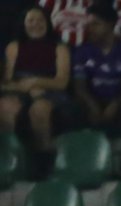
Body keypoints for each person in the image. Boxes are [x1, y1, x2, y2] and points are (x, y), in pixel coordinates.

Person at [73, 3, 121, 174]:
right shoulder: (82, 52)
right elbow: (79, 88)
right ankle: (78, 165)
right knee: (71, 110)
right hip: (92, 100)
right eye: (89, 24)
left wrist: (116, 103)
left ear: (110, 25)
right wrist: (92, 105)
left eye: (96, 24)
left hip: (119, 100)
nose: (91, 28)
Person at [0, 5, 71, 166]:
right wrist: (26, 87)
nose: (36, 24)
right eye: (31, 20)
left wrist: (36, 83)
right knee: (4, 107)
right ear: (23, 24)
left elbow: (62, 82)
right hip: (20, 88)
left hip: (51, 89)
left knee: (39, 110)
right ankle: (11, 158)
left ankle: (43, 160)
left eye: (40, 20)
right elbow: (7, 82)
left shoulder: (60, 48)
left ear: (47, 22)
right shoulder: (13, 47)